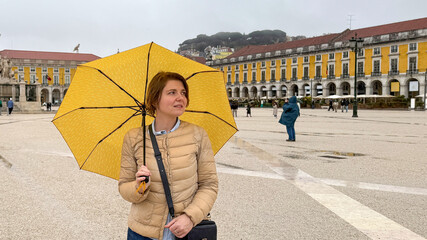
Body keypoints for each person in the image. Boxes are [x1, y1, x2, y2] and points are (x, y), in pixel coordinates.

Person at [119, 72, 218, 240]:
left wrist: (190, 217)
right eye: (172, 92)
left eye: (183, 93)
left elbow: (209, 184)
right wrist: (139, 186)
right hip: (142, 233)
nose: (180, 97)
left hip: (186, 232)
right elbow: (123, 187)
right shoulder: (134, 137)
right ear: (155, 99)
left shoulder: (198, 134)